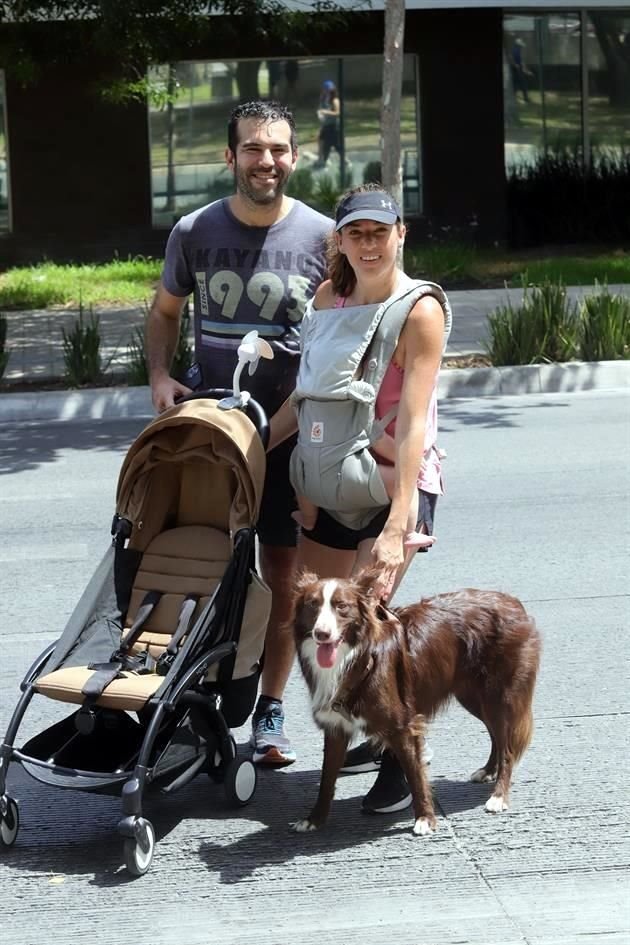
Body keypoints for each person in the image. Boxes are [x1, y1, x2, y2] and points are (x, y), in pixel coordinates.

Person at [146, 100, 331, 767]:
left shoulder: (324, 236)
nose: (267, 161)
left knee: (285, 571)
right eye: (253, 148)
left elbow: (342, 334)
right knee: (202, 563)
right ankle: (189, 695)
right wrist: (162, 377)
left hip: (288, 439)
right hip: (213, 435)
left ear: (295, 156)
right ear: (230, 157)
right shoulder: (194, 231)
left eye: (279, 149)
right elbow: (165, 310)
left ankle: (272, 708)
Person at [267, 184, 451, 814]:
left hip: (392, 483)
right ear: (340, 239)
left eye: (381, 231)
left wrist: (399, 523)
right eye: (357, 233)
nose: (369, 244)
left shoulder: (419, 308)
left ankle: (400, 753)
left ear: (401, 234)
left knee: (368, 633)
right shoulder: (328, 298)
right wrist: (257, 443)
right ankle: (362, 738)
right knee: (324, 628)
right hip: (330, 481)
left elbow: (418, 421)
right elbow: (308, 394)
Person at [315, 79, 341, 168]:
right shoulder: (323, 99)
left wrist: (325, 112)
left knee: (336, 145)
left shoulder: (335, 100)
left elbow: (337, 113)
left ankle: (345, 160)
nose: (327, 92)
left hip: (333, 126)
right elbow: (320, 110)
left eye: (329, 90)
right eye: (325, 90)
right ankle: (321, 159)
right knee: (320, 140)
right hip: (325, 125)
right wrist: (320, 114)